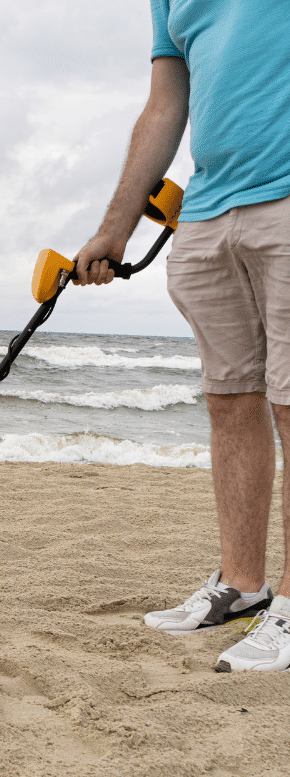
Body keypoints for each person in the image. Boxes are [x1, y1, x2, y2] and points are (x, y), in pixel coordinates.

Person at [73, 1, 290, 672]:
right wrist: (117, 227)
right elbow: (166, 106)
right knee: (230, 398)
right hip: (208, 209)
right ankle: (242, 583)